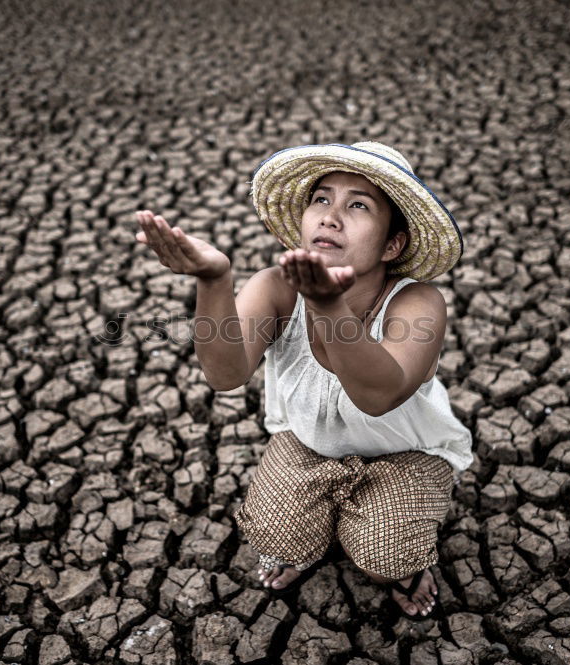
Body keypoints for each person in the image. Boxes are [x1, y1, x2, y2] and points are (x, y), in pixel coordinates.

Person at [134, 141, 473, 620]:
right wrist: (214, 279)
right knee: (276, 535)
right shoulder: (275, 287)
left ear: (392, 245)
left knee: (385, 557)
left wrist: (328, 306)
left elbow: (377, 396)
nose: (331, 216)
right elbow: (225, 374)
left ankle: (398, 559)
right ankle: (323, 529)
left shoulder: (416, 303)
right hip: (311, 443)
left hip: (405, 451)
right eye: (321, 199)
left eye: (358, 205)